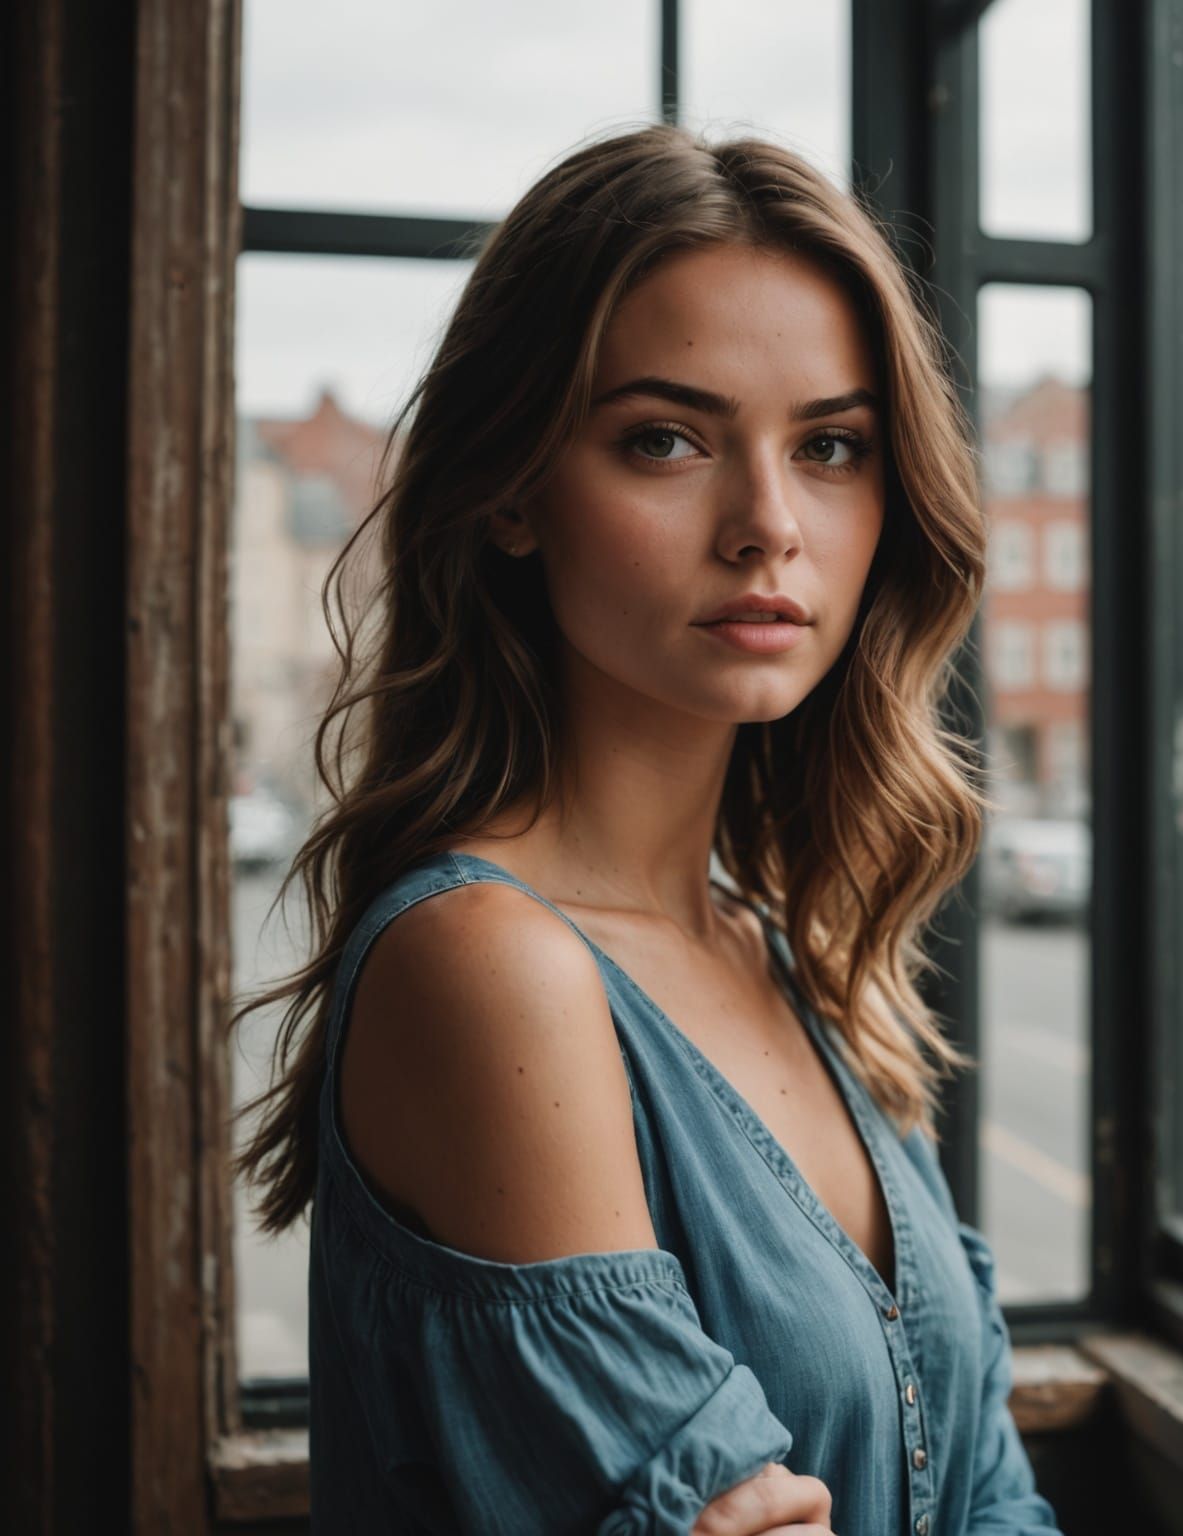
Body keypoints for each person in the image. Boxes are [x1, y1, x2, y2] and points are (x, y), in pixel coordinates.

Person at [230, 120, 1063, 1536]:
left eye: (832, 446)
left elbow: (988, 1490)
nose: (768, 525)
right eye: (666, 439)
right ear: (509, 490)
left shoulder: (790, 949)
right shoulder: (488, 967)